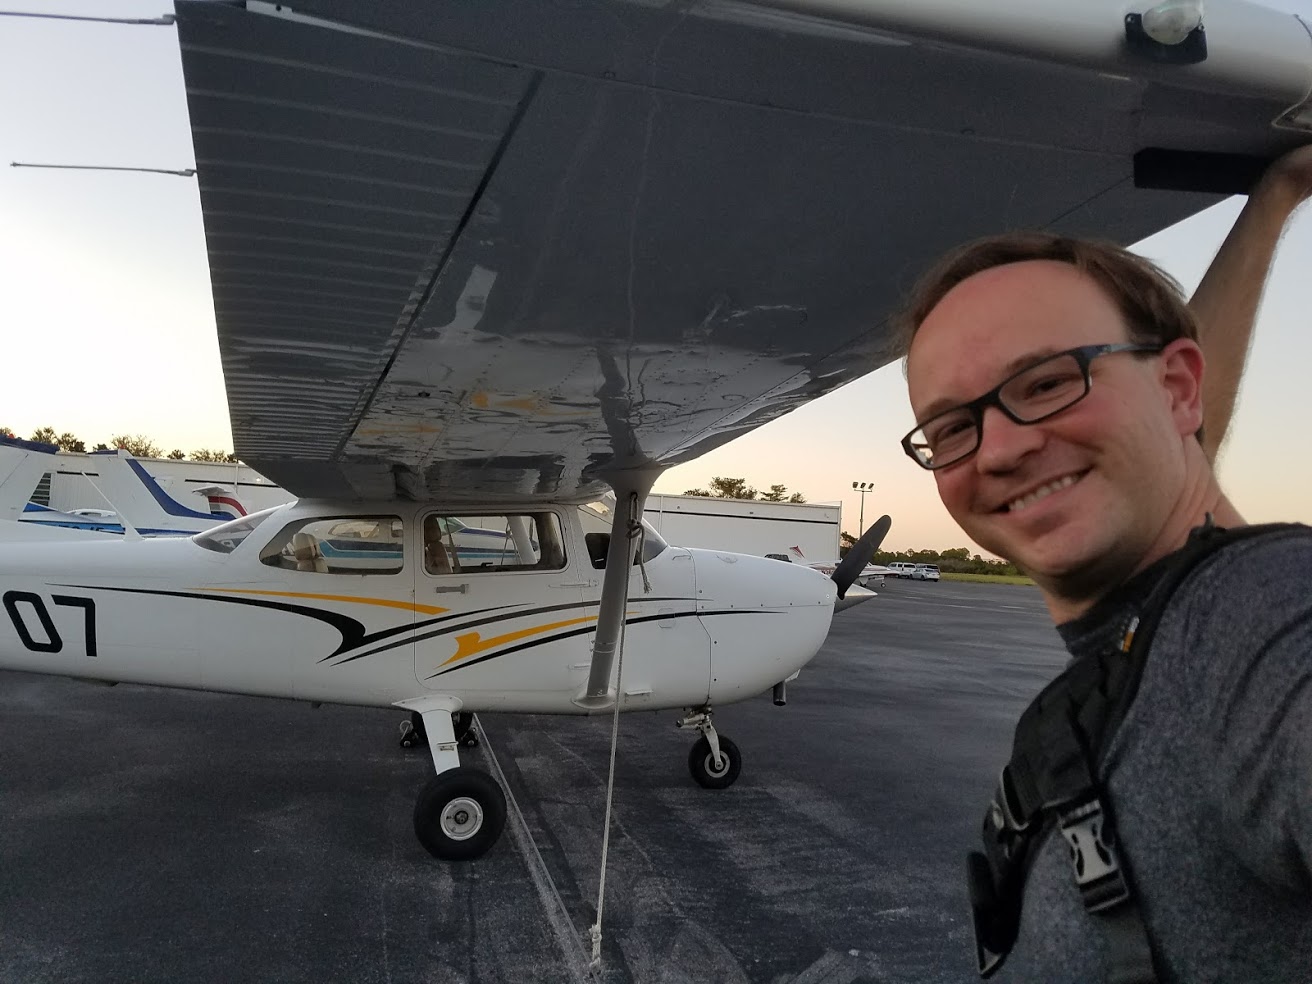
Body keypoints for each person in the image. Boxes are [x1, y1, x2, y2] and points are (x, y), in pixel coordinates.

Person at [897, 146, 1312, 983]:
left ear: (1180, 389)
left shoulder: (1261, 623)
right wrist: (1271, 204)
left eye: (1047, 384)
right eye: (953, 428)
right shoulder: (1150, 633)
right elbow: (1147, 435)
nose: (1001, 449)